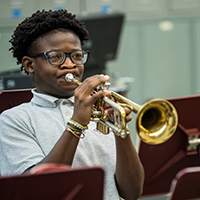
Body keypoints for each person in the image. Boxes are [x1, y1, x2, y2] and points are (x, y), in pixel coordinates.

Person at [0, 9, 144, 200]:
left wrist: (121, 133)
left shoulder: (99, 110)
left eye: (76, 56)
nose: (70, 65)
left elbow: (132, 192)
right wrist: (77, 123)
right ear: (29, 65)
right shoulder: (14, 120)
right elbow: (38, 191)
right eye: (56, 56)